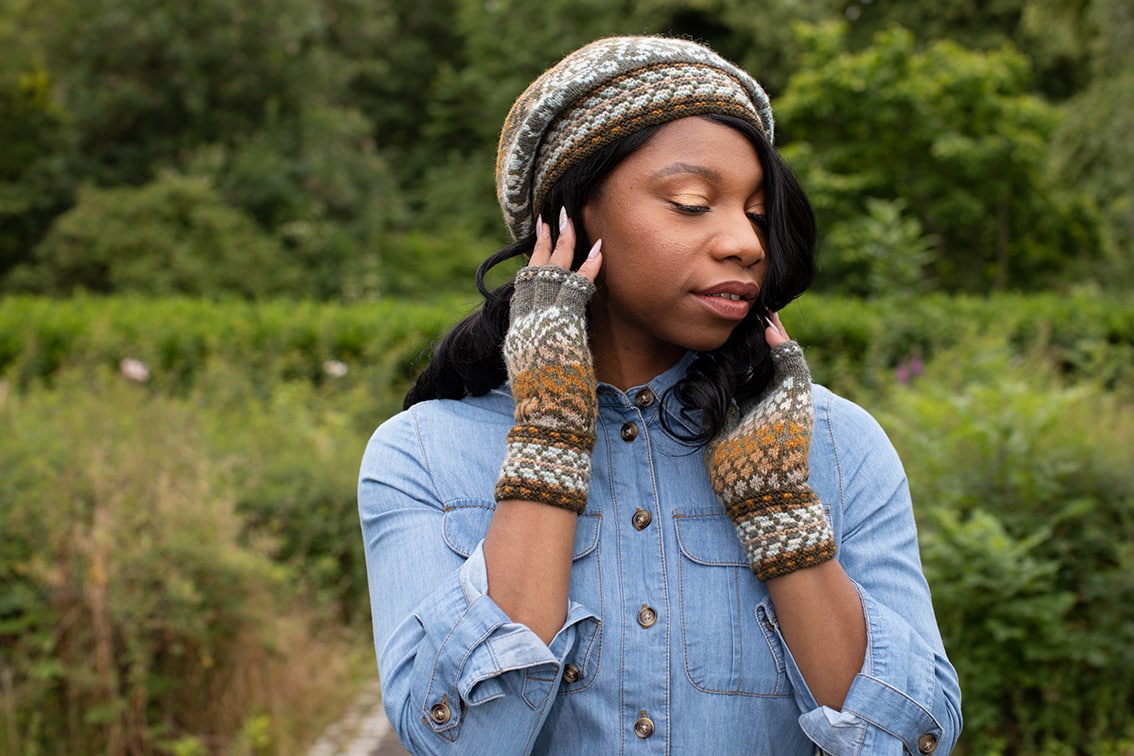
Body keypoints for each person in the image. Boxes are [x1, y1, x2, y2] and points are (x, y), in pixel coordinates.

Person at [358, 35, 961, 755]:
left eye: (758, 215)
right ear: (574, 217)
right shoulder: (422, 452)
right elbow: (463, 740)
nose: (745, 243)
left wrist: (777, 507)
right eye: (690, 203)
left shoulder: (838, 446)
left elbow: (909, 740)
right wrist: (550, 432)